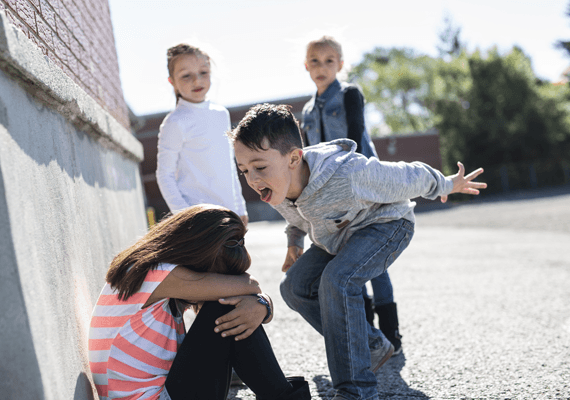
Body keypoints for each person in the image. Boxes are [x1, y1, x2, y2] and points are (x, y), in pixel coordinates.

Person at [229, 104, 486, 400]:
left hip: (387, 225)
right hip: (338, 236)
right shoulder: (276, 185)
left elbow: (406, 176)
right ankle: (372, 346)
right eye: (244, 170)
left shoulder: (347, 174)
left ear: (293, 158)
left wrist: (447, 183)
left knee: (337, 280)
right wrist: (293, 245)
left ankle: (357, 390)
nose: (252, 178)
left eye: (259, 167)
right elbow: (297, 217)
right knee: (294, 287)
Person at [88, 204, 311, 400]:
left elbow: (251, 292)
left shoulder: (151, 272)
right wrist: (260, 302)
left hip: (161, 392)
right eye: (216, 275)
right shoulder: (157, 274)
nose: (215, 283)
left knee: (231, 306)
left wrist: (262, 305)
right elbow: (250, 286)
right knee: (225, 305)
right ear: (198, 252)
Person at [300, 36, 400, 353]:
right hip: (331, 196)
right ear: (306, 66)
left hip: (364, 187)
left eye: (329, 60)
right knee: (348, 259)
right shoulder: (306, 110)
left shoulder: (349, 95)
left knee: (374, 262)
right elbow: (308, 155)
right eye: (315, 61)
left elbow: (355, 137)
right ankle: (369, 335)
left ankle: (391, 333)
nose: (322, 67)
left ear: (340, 64)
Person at [156, 43, 248, 226]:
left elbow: (229, 166)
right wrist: (185, 215)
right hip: (198, 219)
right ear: (172, 82)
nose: (196, 81)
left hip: (230, 214)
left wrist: (240, 208)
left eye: (203, 72)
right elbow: (164, 175)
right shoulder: (175, 122)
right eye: (186, 75)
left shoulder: (221, 114)